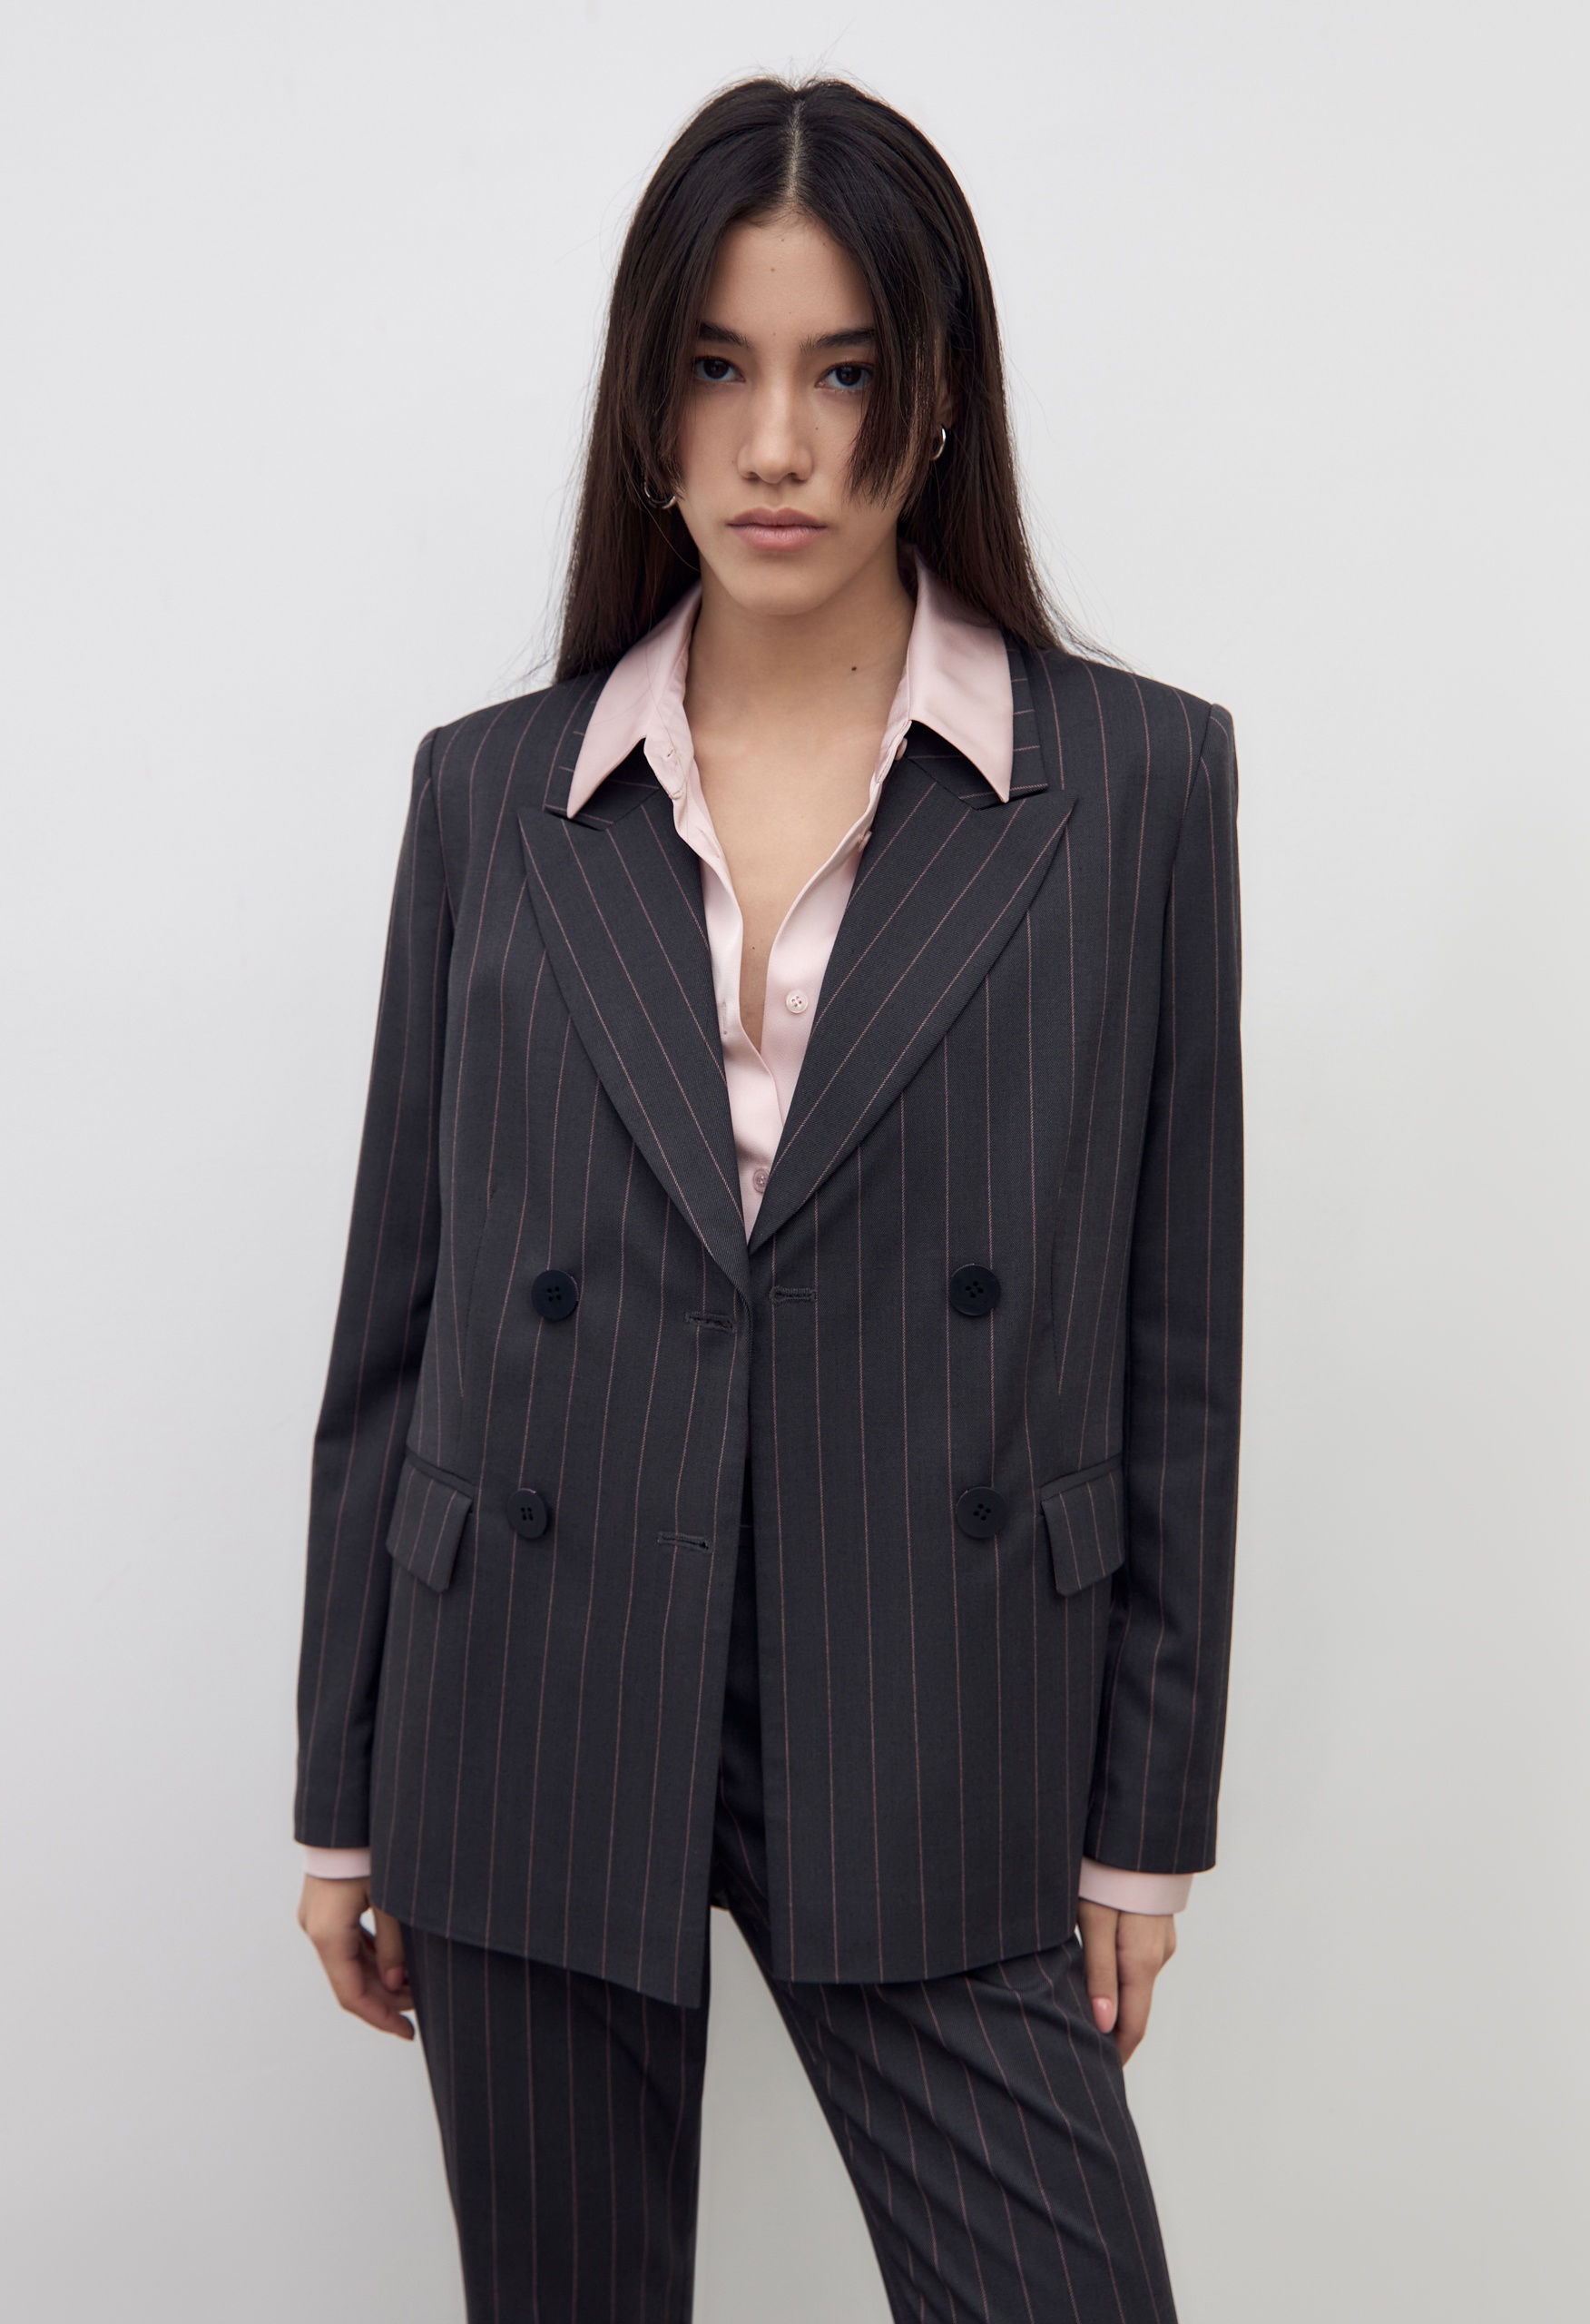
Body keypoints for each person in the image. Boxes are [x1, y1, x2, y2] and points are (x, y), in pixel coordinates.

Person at [293, 74, 1241, 2324]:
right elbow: (397, 1317)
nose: (779, 445)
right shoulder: (495, 796)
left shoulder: (1132, 781)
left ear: (939, 397)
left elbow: (1177, 1337)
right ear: (649, 401)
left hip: (937, 1690)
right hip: (533, 1686)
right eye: (720, 368)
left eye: (846, 373)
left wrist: (1145, 1816)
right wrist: (344, 1784)